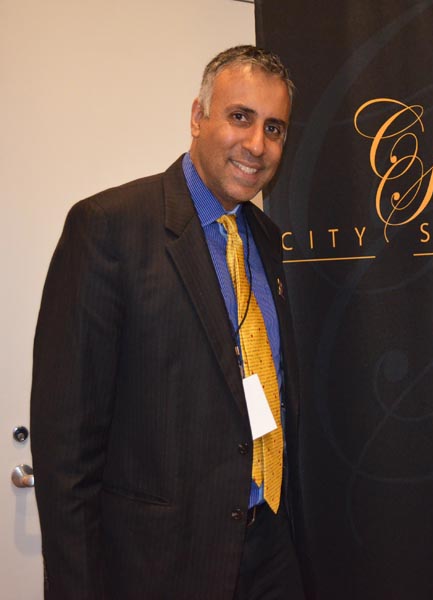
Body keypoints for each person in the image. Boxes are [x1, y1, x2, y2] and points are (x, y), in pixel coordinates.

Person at [31, 45, 307, 599]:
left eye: (274, 128)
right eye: (240, 117)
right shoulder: (107, 229)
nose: (257, 144)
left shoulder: (266, 240)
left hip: (269, 551)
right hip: (159, 568)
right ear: (197, 116)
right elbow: (66, 452)